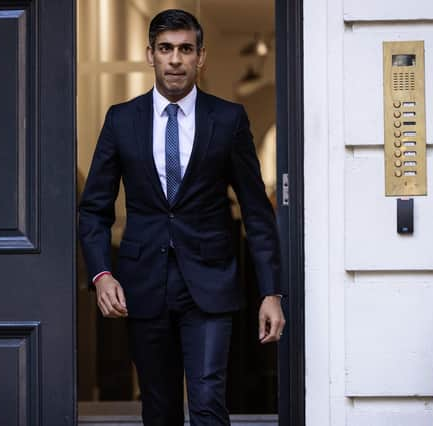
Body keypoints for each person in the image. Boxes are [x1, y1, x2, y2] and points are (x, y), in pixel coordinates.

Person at [78, 9, 285, 426]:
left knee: (208, 397)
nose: (176, 59)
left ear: (201, 57)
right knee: (159, 404)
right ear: (150, 55)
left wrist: (271, 292)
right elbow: (94, 208)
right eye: (166, 49)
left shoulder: (227, 120)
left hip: (209, 281)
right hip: (143, 282)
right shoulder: (122, 120)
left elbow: (257, 212)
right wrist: (102, 274)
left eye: (185, 49)